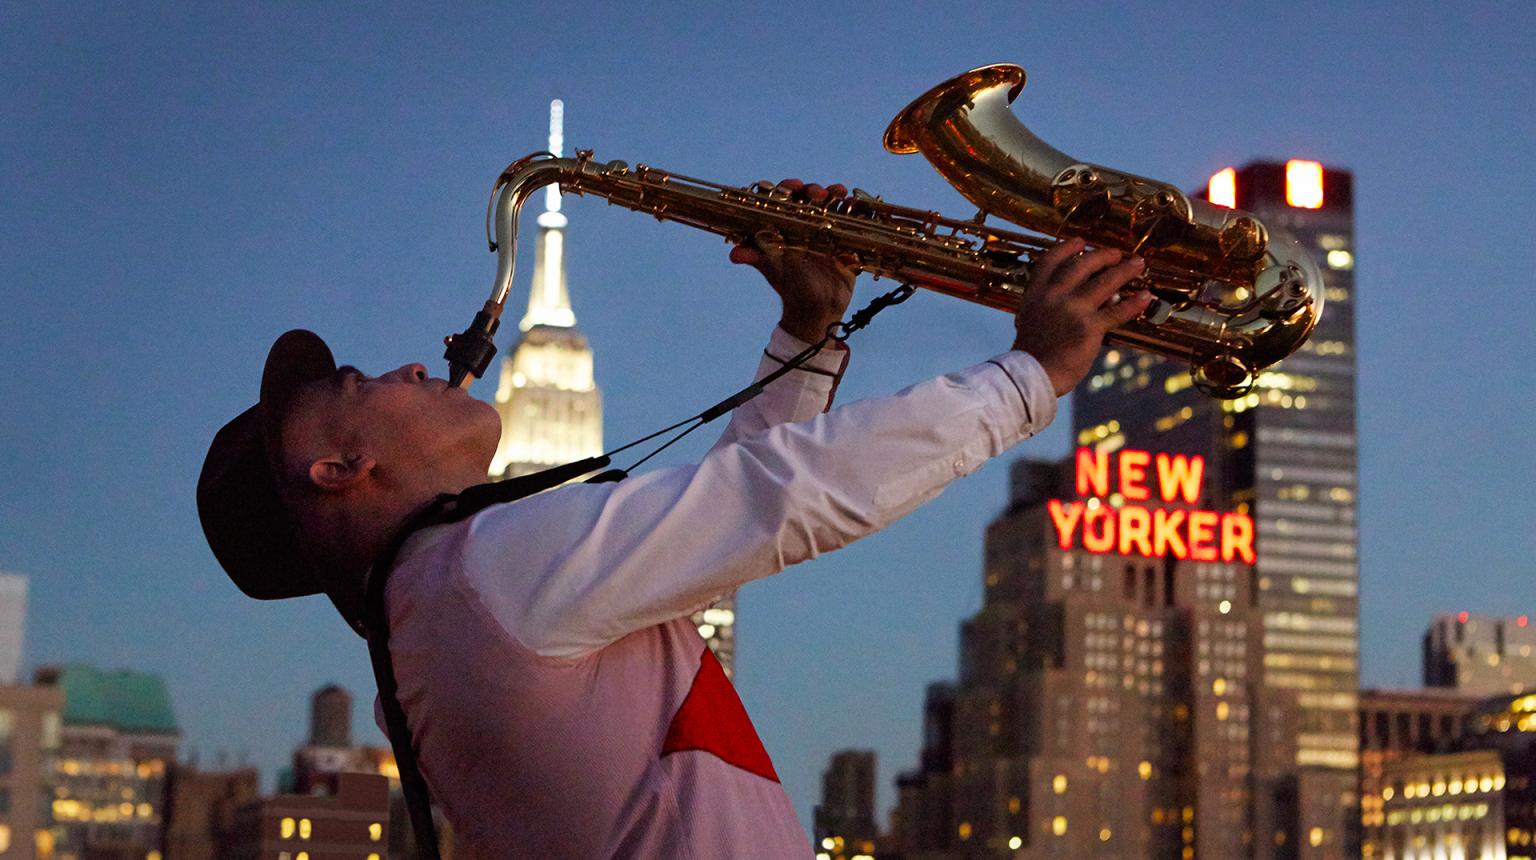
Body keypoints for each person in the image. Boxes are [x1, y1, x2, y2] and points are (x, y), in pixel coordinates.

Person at [196, 180, 1151, 859]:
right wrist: (1032, 372)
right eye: (362, 385)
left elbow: (731, 521)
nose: (410, 368)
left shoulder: (433, 627)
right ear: (341, 468)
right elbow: (784, 497)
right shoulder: (485, 569)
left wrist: (807, 338)